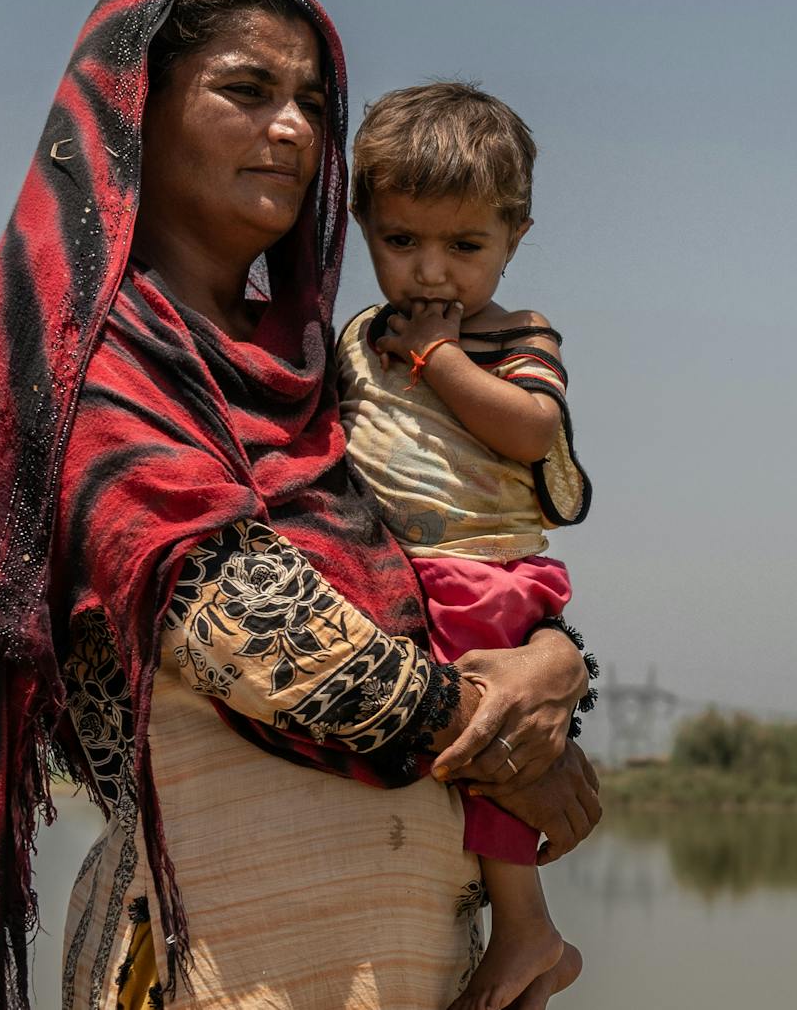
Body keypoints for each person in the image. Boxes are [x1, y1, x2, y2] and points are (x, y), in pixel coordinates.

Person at [0, 0, 603, 1010]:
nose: (294, 128)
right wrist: (509, 736)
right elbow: (256, 631)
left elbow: (452, 572)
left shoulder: (324, 374)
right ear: (134, 115)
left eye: (314, 105)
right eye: (248, 91)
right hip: (219, 963)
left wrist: (557, 663)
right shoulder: (100, 368)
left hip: (410, 957)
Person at [336, 80, 595, 1009]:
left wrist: (439, 358)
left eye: (465, 246)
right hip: (398, 569)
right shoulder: (358, 340)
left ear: (515, 238)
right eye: (402, 243)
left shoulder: (514, 336)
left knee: (487, 726)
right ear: (362, 225)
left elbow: (531, 434)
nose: (432, 274)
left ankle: (527, 927)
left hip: (482, 572)